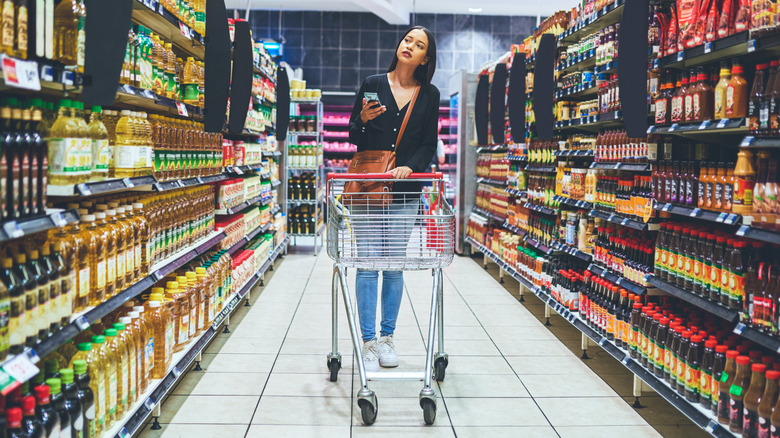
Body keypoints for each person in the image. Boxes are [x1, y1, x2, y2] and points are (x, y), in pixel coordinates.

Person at [348, 25, 440, 372]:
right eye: (407, 40)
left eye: (418, 45)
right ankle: (368, 341)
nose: (410, 47)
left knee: (394, 265)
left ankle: (387, 338)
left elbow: (428, 144)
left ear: (424, 58)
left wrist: (409, 168)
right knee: (369, 263)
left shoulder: (430, 94)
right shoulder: (372, 84)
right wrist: (361, 118)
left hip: (403, 192)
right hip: (369, 187)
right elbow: (353, 135)